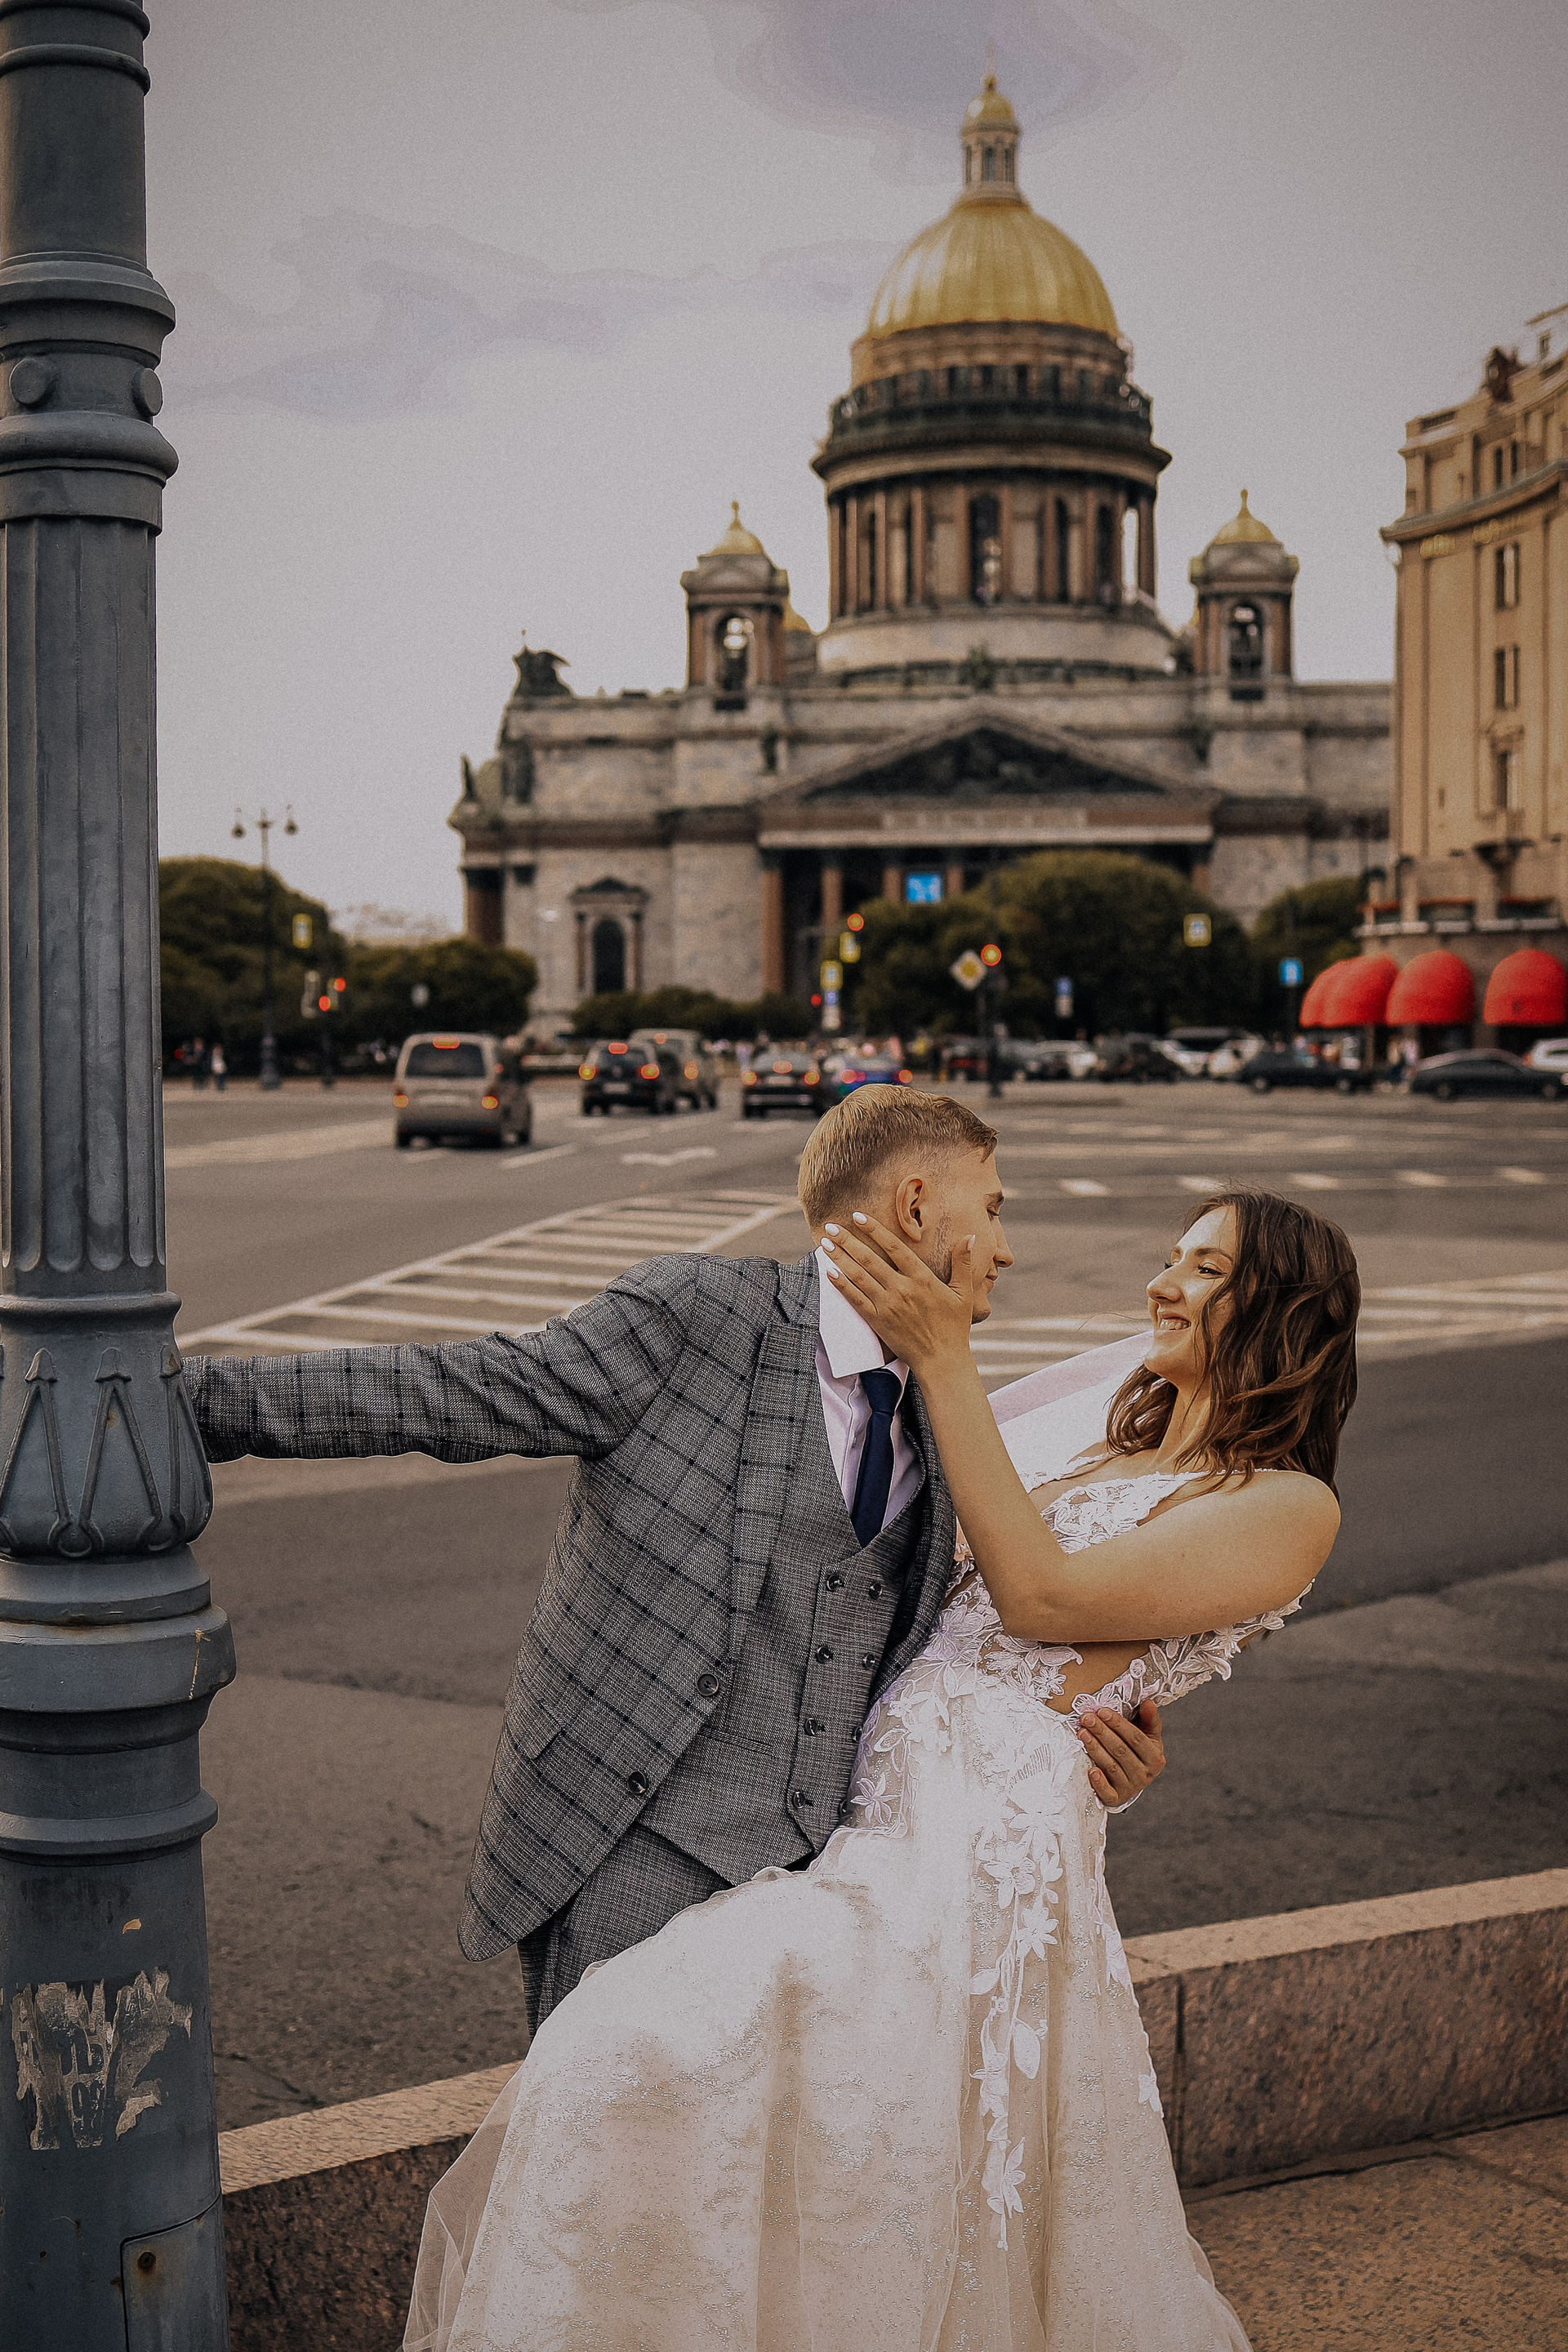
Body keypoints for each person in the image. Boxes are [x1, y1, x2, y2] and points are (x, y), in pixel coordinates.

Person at [402, 1184, 1357, 2350]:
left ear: (1289, 1308)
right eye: (1172, 1257)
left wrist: (944, 1355)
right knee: (819, 2141)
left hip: (968, 1851)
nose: (1163, 1285)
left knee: (649, 2049)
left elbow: (1042, 1598)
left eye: (1206, 1269)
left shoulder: (1287, 1507)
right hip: (867, 1802)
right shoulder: (1097, 1437)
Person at [180, 1088, 1165, 2038]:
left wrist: (1082, 1744)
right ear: (915, 1206)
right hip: (634, 1845)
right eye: (990, 1209)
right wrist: (188, 1403)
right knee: (606, 2144)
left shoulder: (941, 1402)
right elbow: (453, 1392)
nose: (1005, 1247)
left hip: (829, 1882)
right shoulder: (700, 1317)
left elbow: (943, 1636)